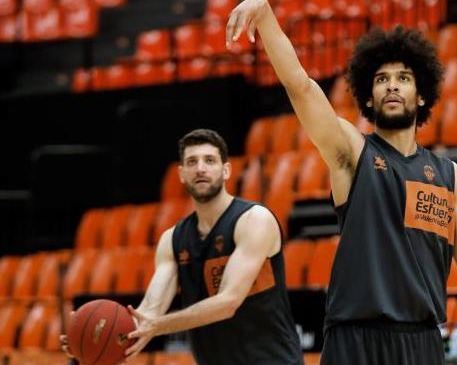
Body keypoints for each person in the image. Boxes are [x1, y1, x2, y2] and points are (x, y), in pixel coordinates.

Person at [226, 0, 457, 365]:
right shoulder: (352, 152)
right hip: (356, 339)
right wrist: (266, 16)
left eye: (403, 79)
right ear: (370, 99)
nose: (392, 86)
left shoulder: (448, 176)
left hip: (422, 341)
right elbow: (302, 87)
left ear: (421, 95)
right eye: (382, 80)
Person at [61, 129, 303, 365]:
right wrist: (87, 339)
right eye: (192, 162)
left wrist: (157, 327)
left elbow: (228, 302)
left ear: (226, 170)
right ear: (181, 174)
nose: (200, 168)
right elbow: (148, 314)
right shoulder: (173, 240)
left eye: (209, 160)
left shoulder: (254, 220)